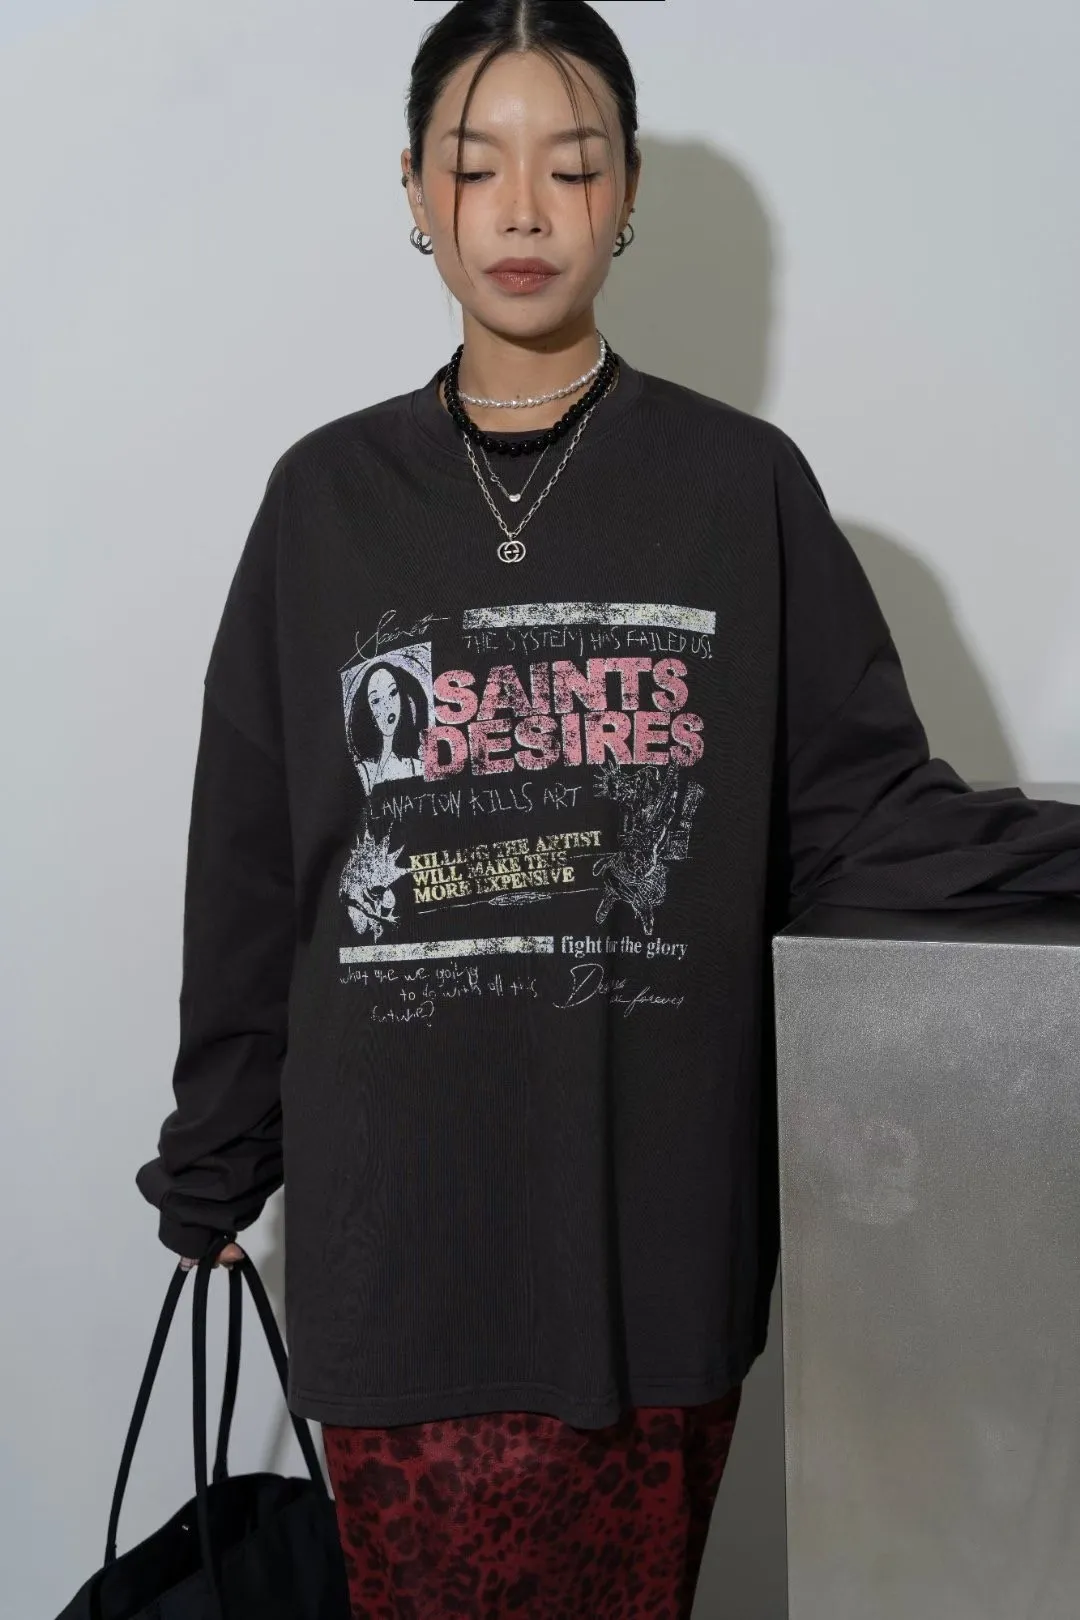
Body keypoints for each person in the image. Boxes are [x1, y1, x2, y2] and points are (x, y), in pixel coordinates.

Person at [137, 3, 1080, 1616]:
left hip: (650, 1247)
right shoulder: (322, 501)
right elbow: (249, 862)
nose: (522, 209)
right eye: (476, 165)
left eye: (570, 166)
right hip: (400, 1241)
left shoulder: (740, 488)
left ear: (627, 191)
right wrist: (216, 1160)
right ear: (415, 192)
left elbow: (858, 821)